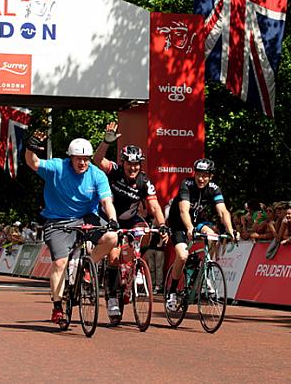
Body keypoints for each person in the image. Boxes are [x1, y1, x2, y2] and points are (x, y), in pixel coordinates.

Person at [25, 132, 119, 325]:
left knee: (112, 238)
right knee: (60, 264)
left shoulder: (97, 175)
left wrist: (113, 219)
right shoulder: (58, 167)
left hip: (86, 217)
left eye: (85, 159)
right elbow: (33, 162)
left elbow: (106, 201)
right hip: (57, 220)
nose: (82, 163)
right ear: (71, 158)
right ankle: (58, 307)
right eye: (78, 159)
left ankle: (88, 265)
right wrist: (30, 148)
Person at [93, 122, 169, 318]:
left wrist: (162, 226)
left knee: (145, 232)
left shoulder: (144, 182)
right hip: (109, 219)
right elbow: (97, 160)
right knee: (114, 256)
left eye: (136, 164)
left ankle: (135, 265)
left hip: (131, 219)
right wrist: (106, 142)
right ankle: (111, 298)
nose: (133, 168)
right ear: (124, 163)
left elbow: (154, 206)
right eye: (130, 164)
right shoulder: (115, 170)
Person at [164, 158, 236, 312]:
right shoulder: (187, 185)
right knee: (182, 256)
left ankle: (205, 270)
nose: (201, 179)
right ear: (194, 174)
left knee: (213, 236)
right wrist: (189, 228)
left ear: (211, 177)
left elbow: (222, 211)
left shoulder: (214, 188)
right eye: (199, 175)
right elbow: (183, 210)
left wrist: (230, 229)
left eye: (205, 175)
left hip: (198, 222)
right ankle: (172, 292)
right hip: (179, 223)